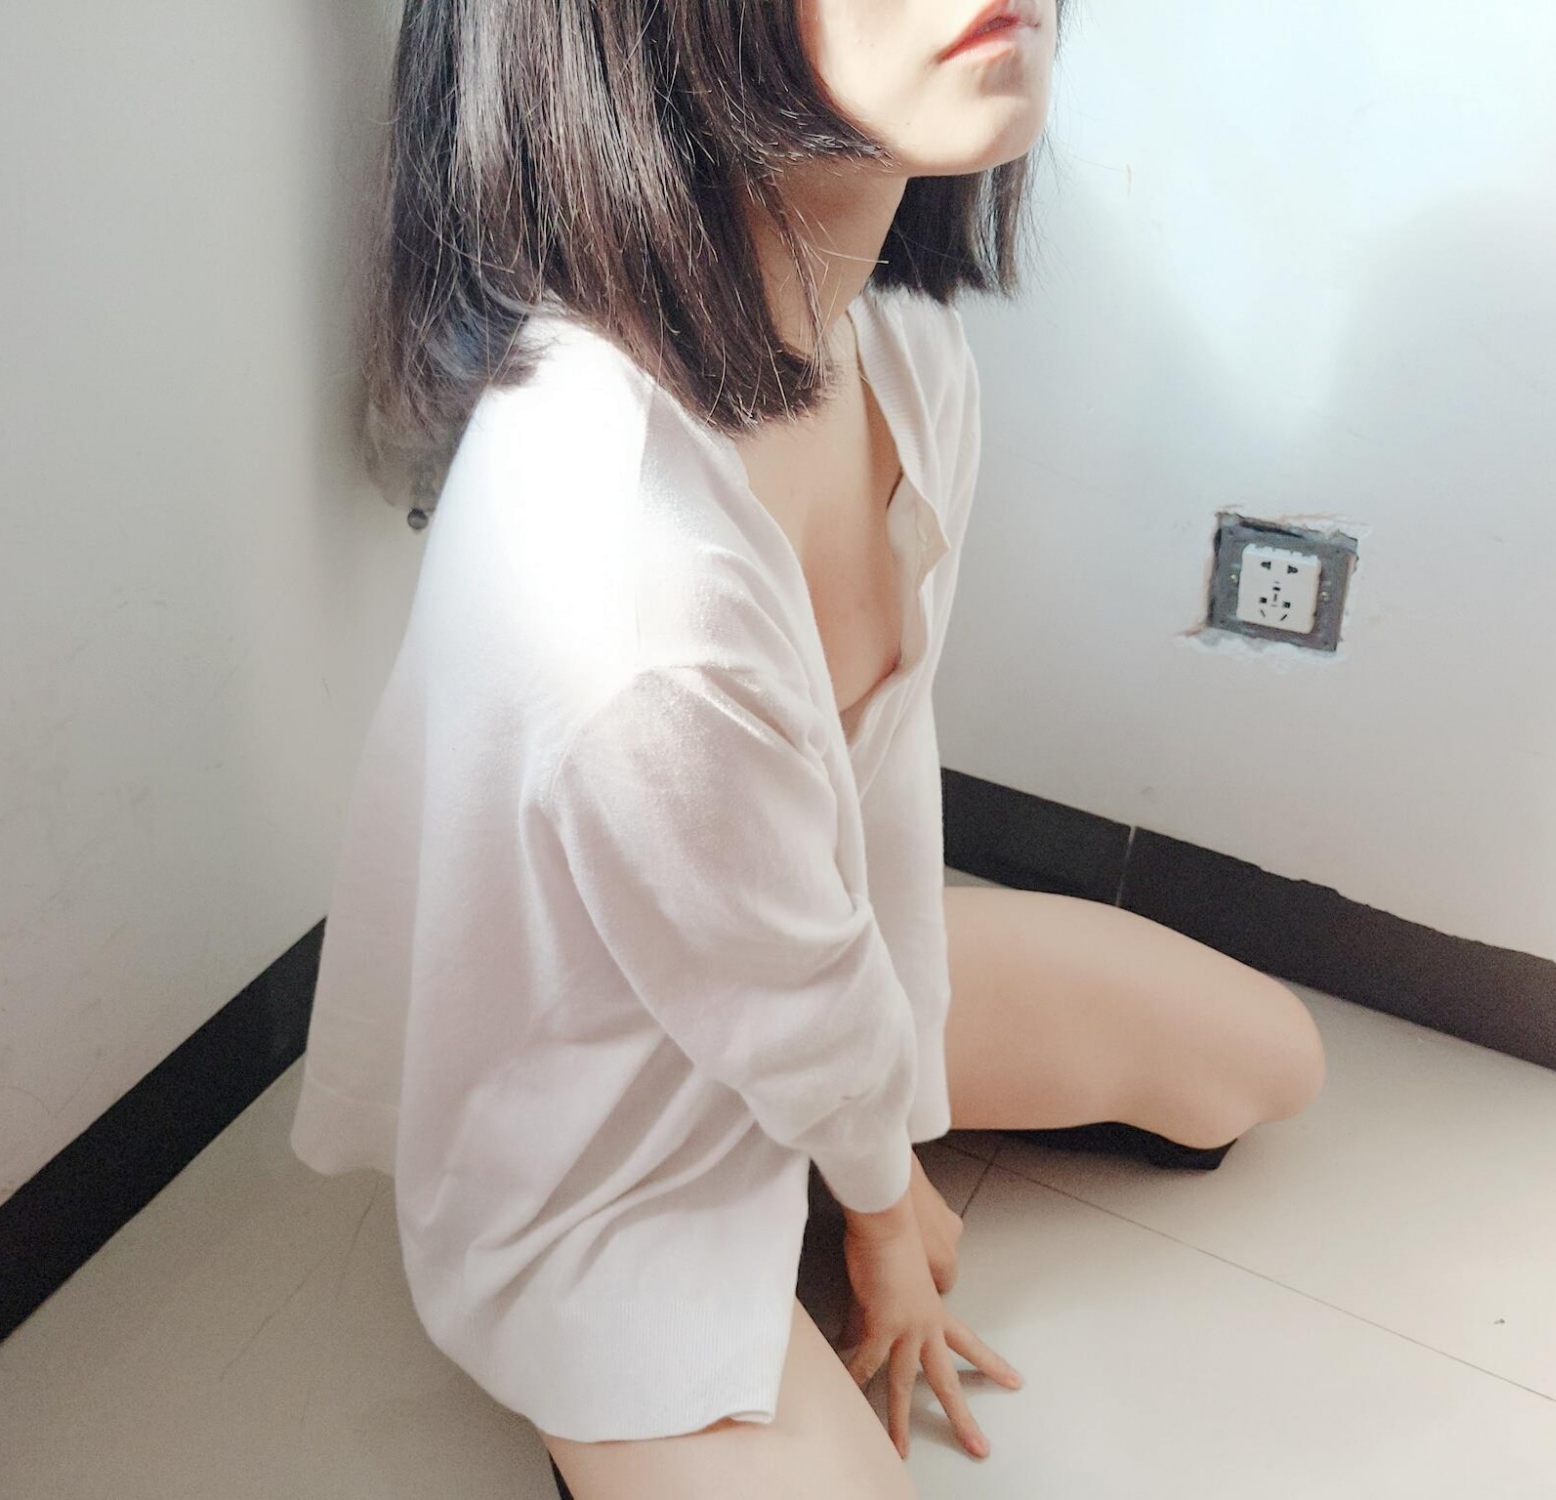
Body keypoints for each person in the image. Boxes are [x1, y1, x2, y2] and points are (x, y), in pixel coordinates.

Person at [290, 2, 1329, 1495]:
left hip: (811, 984)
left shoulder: (899, 352)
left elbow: (870, 823)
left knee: (1265, 1064)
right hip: (608, 1152)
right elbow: (774, 992)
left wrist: (884, 1109)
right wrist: (887, 1210)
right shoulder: (621, 549)